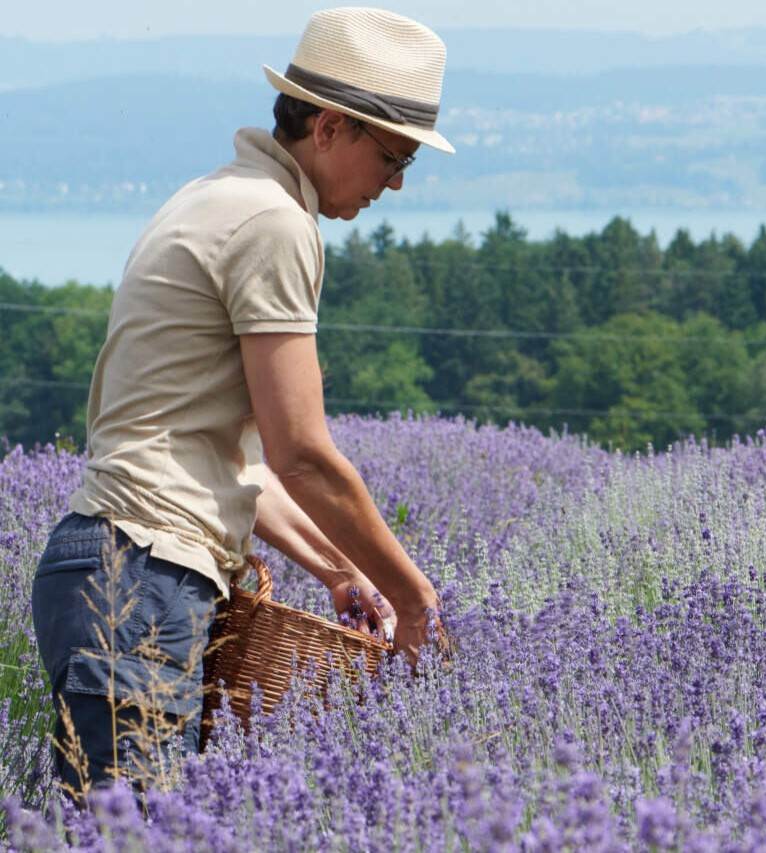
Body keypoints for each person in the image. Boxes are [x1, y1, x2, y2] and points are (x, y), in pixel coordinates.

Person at [31, 7, 457, 794]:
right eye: (393, 157)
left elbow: (222, 457)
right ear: (330, 127)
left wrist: (336, 568)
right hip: (141, 575)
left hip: (115, 566)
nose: (394, 183)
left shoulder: (219, 194)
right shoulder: (274, 223)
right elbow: (301, 451)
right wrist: (413, 596)